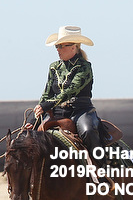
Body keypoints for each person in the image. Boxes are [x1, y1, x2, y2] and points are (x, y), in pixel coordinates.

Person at [32, 25, 103, 162]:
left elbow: (70, 91)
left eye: (61, 46)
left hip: (80, 111)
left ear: (74, 47)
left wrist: (47, 105)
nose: (58, 49)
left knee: (88, 131)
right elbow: (47, 93)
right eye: (57, 46)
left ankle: (100, 166)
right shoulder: (54, 67)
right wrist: (37, 114)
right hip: (56, 112)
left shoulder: (84, 67)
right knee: (28, 135)